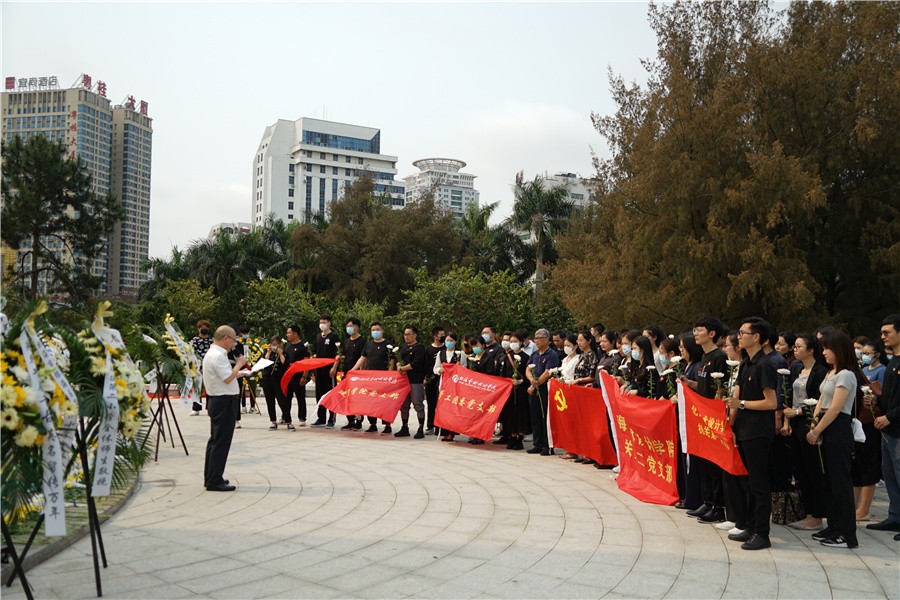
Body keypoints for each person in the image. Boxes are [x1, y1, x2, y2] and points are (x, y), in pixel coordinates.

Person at [804, 330, 861, 549]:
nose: (824, 352)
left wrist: (817, 430)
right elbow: (821, 401)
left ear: (839, 349)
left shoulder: (846, 375)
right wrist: (814, 424)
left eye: (827, 348)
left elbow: (836, 408)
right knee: (829, 481)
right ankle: (834, 525)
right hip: (825, 425)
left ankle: (847, 533)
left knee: (840, 482)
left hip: (837, 427)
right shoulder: (831, 372)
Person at [727, 317, 778, 551]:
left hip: (758, 432)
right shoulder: (746, 362)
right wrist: (731, 421)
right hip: (744, 430)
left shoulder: (765, 365)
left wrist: (742, 404)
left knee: (759, 484)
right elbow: (737, 395)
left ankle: (762, 533)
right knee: (747, 482)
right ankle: (750, 525)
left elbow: (771, 402)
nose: (739, 336)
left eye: (743, 333)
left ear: (756, 337)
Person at [782, 334, 828, 530]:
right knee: (800, 469)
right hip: (795, 423)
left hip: (810, 422)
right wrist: (787, 421)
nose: (795, 349)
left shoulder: (820, 372)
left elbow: (819, 400)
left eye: (799, 346)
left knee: (813, 469)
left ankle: (816, 515)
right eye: (794, 346)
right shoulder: (797, 369)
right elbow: (791, 399)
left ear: (810, 350)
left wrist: (799, 412)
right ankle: (806, 511)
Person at [687, 317, 729, 525]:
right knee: (704, 460)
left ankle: (718, 507)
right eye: (694, 330)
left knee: (714, 463)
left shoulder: (720, 357)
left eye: (699, 330)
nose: (695, 334)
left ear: (712, 334)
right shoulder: (704, 358)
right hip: (702, 416)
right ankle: (708, 501)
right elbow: (704, 386)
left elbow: (721, 390)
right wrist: (689, 383)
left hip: (713, 417)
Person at [868, 314, 900, 541]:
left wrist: (889, 416)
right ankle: (895, 516)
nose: (882, 337)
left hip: (896, 428)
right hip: (888, 429)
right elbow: (891, 396)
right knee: (890, 475)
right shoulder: (893, 362)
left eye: (887, 332)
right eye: (881, 333)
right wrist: (876, 400)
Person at [202, 325, 246, 492]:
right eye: (233, 340)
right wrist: (239, 364)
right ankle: (214, 480)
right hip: (223, 401)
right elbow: (227, 378)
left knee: (215, 441)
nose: (234, 344)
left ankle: (212, 477)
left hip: (218, 400)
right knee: (221, 442)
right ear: (225, 338)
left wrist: (241, 373)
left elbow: (225, 375)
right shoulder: (218, 355)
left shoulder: (214, 353)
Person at [855, 340, 886, 520]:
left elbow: (881, 394)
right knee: (857, 465)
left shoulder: (882, 370)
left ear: (877, 354)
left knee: (868, 465)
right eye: (862, 352)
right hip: (860, 418)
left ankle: (864, 509)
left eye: (867, 352)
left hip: (871, 419)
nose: (863, 355)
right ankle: (854, 505)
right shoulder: (862, 369)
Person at [351, 322, 393, 434]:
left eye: (377, 329)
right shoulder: (368, 344)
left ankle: (387, 425)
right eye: (373, 330)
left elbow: (391, 360)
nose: (375, 332)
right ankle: (372, 424)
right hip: (370, 378)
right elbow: (362, 358)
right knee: (371, 401)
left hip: (383, 378)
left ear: (382, 331)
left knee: (384, 402)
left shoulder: (388, 344)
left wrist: (389, 375)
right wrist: (353, 369)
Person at [525, 328, 560, 456]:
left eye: (540, 338)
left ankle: (547, 445)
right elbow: (528, 369)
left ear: (547, 339)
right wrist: (531, 380)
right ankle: (537, 444)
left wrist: (536, 383)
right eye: (536, 338)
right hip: (534, 388)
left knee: (545, 417)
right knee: (535, 417)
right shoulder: (534, 355)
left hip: (545, 389)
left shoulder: (552, 354)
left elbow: (548, 372)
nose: (538, 340)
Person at [496, 331, 529, 449]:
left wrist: (521, 381)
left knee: (521, 415)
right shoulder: (507, 356)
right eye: (511, 341)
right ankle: (512, 436)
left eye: (515, 341)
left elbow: (529, 375)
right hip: (509, 390)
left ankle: (520, 438)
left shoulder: (526, 357)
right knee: (510, 414)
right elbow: (503, 374)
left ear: (521, 342)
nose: (513, 343)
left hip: (521, 391)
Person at [434, 332, 467, 442]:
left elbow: (465, 367)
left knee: (453, 408)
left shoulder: (460, 353)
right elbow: (435, 368)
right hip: (443, 384)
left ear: (455, 342)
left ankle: (452, 432)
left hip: (455, 385)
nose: (449, 342)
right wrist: (440, 370)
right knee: (443, 408)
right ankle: (444, 432)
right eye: (447, 340)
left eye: (451, 341)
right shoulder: (441, 353)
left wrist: (458, 367)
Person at [395, 326, 428, 439]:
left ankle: (420, 428)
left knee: (418, 404)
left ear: (415, 335)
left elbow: (416, 363)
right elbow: (398, 360)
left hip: (416, 380)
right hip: (404, 381)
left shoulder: (420, 348)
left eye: (409, 334)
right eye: (405, 334)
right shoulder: (402, 347)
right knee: (404, 405)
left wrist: (403, 368)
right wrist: (398, 366)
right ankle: (404, 427)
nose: (406, 336)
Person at [310, 315, 340, 428]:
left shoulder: (334, 337)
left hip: (329, 371)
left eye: (324, 322)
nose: (322, 324)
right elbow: (315, 353)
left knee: (330, 394)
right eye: (320, 322)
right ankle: (321, 418)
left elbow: (338, 354)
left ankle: (331, 418)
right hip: (319, 371)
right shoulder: (318, 337)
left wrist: (334, 367)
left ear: (329, 323)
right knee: (319, 395)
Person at [339, 318, 367, 431]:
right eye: (347, 326)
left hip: (357, 374)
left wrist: (361, 372)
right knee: (347, 397)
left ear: (357, 327)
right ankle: (350, 420)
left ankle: (358, 421)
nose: (348, 328)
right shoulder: (346, 341)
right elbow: (345, 355)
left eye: (351, 326)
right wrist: (340, 357)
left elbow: (363, 358)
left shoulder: (362, 341)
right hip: (347, 372)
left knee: (357, 398)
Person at [260, 336, 291, 431]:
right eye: (273, 344)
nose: (275, 346)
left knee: (282, 400)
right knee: (270, 401)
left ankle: (288, 421)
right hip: (267, 378)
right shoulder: (267, 352)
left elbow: (285, 363)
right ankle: (273, 421)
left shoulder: (284, 353)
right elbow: (264, 362)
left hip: (278, 379)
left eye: (276, 344)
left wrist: (280, 353)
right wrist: (269, 352)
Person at [283, 324, 309, 427]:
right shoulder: (288, 346)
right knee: (286, 398)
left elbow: (306, 362)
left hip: (298, 376)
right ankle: (285, 416)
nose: (287, 335)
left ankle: (302, 418)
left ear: (295, 333)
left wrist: (304, 376)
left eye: (289, 333)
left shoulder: (302, 347)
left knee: (300, 397)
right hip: (288, 375)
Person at [424, 326, 445, 435]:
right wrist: (425, 378)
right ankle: (430, 426)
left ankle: (440, 426)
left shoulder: (445, 349)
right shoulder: (428, 349)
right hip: (430, 380)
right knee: (431, 403)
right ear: (435, 336)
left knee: (441, 404)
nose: (443, 337)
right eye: (441, 335)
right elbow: (425, 365)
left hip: (443, 380)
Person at [189, 319, 213, 415]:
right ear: (198, 329)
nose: (204, 329)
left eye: (206, 328)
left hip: (210, 366)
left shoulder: (212, 341)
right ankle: (196, 408)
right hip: (197, 366)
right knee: (197, 387)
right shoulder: (194, 340)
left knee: (210, 387)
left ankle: (210, 407)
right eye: (202, 328)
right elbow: (191, 353)